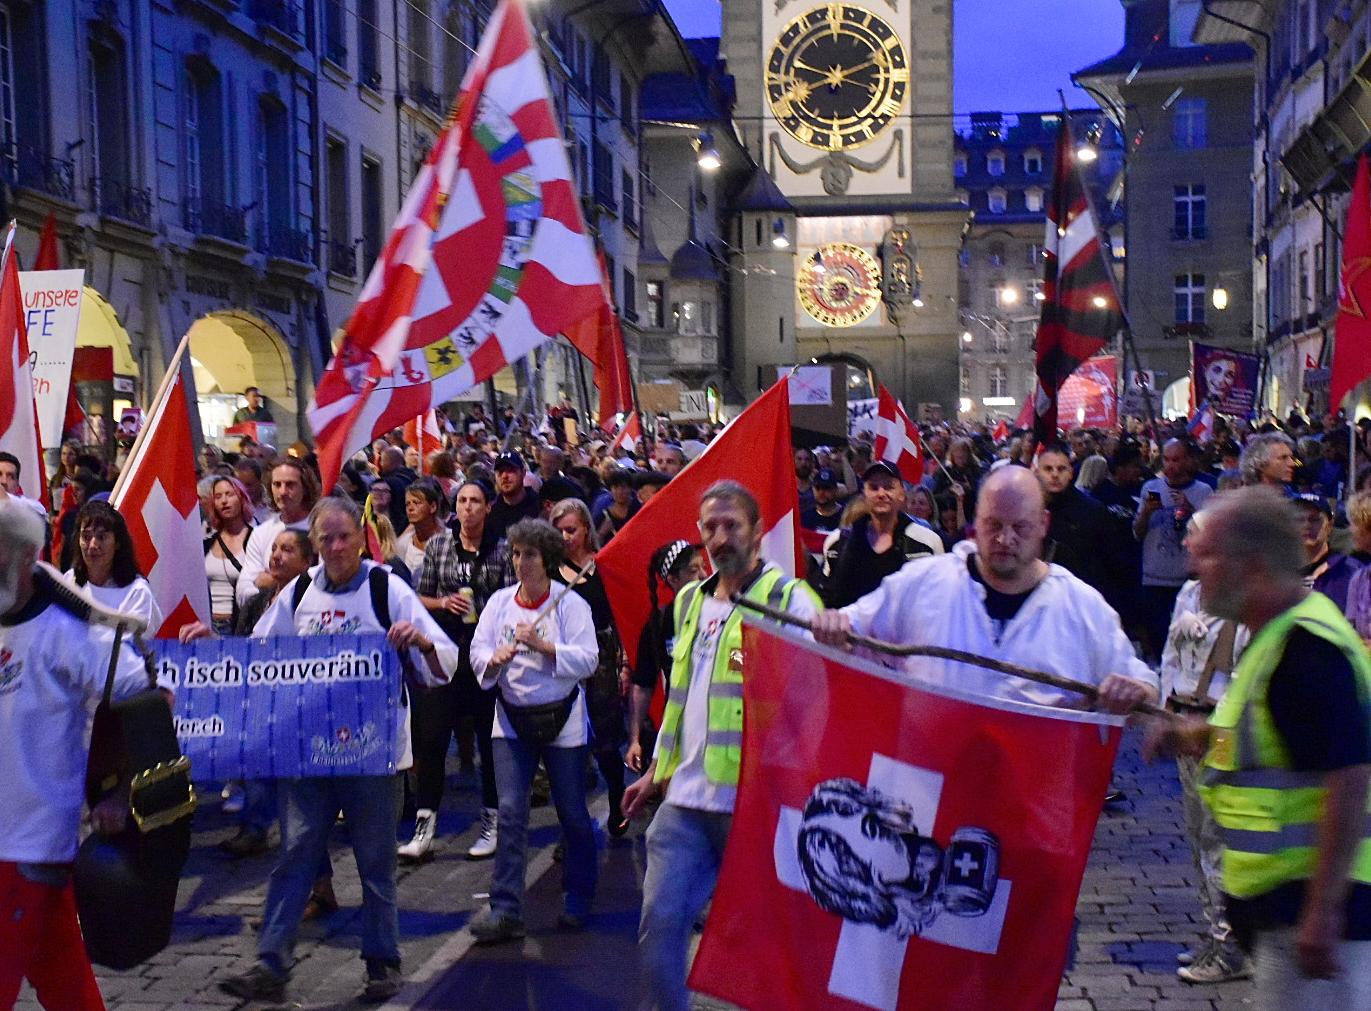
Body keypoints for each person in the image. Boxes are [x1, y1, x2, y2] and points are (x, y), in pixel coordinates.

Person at [218, 497, 458, 1005]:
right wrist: (212, 654)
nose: (335, 547)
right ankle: (270, 964)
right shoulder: (299, 593)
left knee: (375, 862)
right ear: (314, 544)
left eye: (344, 536)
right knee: (295, 855)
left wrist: (419, 641)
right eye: (325, 539)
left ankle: (383, 963)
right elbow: (260, 652)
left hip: (372, 756)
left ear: (361, 538)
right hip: (309, 753)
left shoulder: (386, 589)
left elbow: (445, 659)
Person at [1145, 488, 1371, 1010]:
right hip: (1287, 914)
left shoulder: (1305, 650)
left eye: (1208, 555)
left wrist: (1322, 910)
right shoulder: (1275, 636)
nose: (1193, 568)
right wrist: (1194, 736)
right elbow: (1275, 742)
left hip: (1317, 921)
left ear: (1250, 566)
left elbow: (1349, 775)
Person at [623, 483, 821, 1011]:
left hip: (753, 808)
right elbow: (682, 698)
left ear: (757, 532)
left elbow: (817, 707)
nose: (720, 537)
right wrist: (656, 771)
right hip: (685, 803)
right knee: (659, 927)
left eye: (732, 525)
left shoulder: (790, 601)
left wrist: (791, 789)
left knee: (762, 947)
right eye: (710, 527)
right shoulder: (689, 602)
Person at [811, 465, 1158, 713]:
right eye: (993, 525)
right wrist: (834, 627)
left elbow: (1140, 685)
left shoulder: (1081, 607)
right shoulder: (924, 583)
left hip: (1035, 792)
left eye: (1020, 527)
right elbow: (855, 627)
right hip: (933, 785)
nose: (1005, 539)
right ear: (976, 521)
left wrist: (1137, 691)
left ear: (1043, 524)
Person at [0, 500, 157, 1011]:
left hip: (26, 847)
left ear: (24, 556)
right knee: (69, 990)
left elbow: (149, 695)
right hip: (18, 853)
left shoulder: (70, 631)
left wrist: (121, 791)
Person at [468, 518, 599, 942]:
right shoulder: (499, 604)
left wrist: (546, 647)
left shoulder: (570, 605)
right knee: (510, 812)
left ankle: (578, 895)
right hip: (511, 720)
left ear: (548, 560)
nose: (520, 562)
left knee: (572, 812)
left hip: (563, 721)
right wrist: (492, 660)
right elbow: (478, 651)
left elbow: (589, 659)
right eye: (516, 553)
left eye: (530, 554)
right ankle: (505, 908)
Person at [1160, 514, 1252, 984]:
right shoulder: (1187, 594)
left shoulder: (1244, 601)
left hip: (1218, 730)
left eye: (1194, 538)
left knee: (1219, 838)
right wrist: (1164, 709)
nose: (1186, 545)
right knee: (1198, 836)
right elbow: (1169, 658)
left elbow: (1247, 676)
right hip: (1185, 721)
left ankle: (1232, 944)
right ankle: (1214, 934)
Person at [405, 480, 514, 862]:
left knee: (488, 742)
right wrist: (442, 602)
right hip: (445, 655)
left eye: (475, 501)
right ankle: (425, 826)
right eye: (463, 501)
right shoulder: (439, 546)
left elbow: (511, 601)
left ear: (487, 508)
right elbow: (418, 598)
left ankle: (491, 821)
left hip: (484, 658)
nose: (468, 507)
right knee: (433, 741)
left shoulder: (502, 549)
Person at [550, 498, 629, 835]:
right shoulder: (549, 570)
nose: (565, 537)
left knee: (606, 739)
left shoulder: (603, 566)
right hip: (563, 656)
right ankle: (573, 824)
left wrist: (625, 664)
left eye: (571, 530)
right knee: (567, 744)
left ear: (585, 529)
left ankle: (616, 793)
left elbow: (619, 615)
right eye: (559, 530)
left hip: (601, 658)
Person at [626, 540, 707, 776]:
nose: (703, 575)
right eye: (694, 570)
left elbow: (738, 655)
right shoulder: (659, 624)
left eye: (703, 567)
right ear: (673, 579)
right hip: (682, 727)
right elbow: (643, 685)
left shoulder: (722, 611)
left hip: (722, 722)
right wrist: (635, 740)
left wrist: (736, 666)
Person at [1134, 439, 1214, 663]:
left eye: (1176, 460)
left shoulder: (1203, 491)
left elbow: (1209, 537)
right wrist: (1146, 513)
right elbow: (1138, 533)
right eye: (1166, 460)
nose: (1170, 466)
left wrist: (1190, 510)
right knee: (1158, 639)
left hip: (1187, 580)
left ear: (1188, 460)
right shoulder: (1152, 489)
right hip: (1154, 579)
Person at [823, 461, 942, 608]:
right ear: (864, 494)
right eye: (874, 487)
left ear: (902, 494)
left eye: (888, 487)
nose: (881, 493)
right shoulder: (838, 542)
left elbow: (939, 599)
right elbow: (827, 597)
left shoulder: (927, 542)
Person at [1036, 443, 1131, 615]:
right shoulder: (1026, 509)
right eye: (1048, 469)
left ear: (1071, 473)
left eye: (1061, 469)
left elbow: (1113, 562)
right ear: (1037, 472)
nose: (1055, 474)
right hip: (1039, 602)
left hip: (1083, 603)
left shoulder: (1093, 510)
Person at [66, 500, 163, 633]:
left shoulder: (137, 592)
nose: (93, 545)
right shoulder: (69, 581)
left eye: (101, 537)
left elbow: (131, 641)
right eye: (86, 537)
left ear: (117, 543)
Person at [235, 458, 318, 609]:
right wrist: (271, 597)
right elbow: (243, 593)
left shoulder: (320, 529)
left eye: (290, 484)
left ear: (305, 487)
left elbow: (323, 586)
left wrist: (275, 581)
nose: (283, 492)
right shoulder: (261, 533)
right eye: (277, 485)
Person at [204, 475, 254, 636]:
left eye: (229, 494)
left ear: (242, 498)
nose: (224, 501)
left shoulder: (255, 539)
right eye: (218, 497)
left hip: (241, 624)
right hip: (209, 624)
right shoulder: (207, 543)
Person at [1293, 493, 1362, 611]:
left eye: (1315, 519)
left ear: (1329, 525)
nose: (1306, 525)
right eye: (1299, 519)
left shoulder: (1351, 572)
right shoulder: (1277, 573)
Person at [395, 478, 446, 577]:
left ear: (433, 507)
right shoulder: (403, 544)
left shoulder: (452, 540)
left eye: (416, 502)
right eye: (407, 504)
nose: (410, 508)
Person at [488, 452, 540, 542]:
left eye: (510, 470)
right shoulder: (491, 511)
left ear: (523, 473)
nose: (504, 476)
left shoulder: (539, 506)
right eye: (500, 472)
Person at [800, 468, 844, 532]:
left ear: (835, 490)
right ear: (812, 489)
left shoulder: (846, 516)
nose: (821, 492)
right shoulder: (805, 517)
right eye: (818, 488)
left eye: (826, 488)